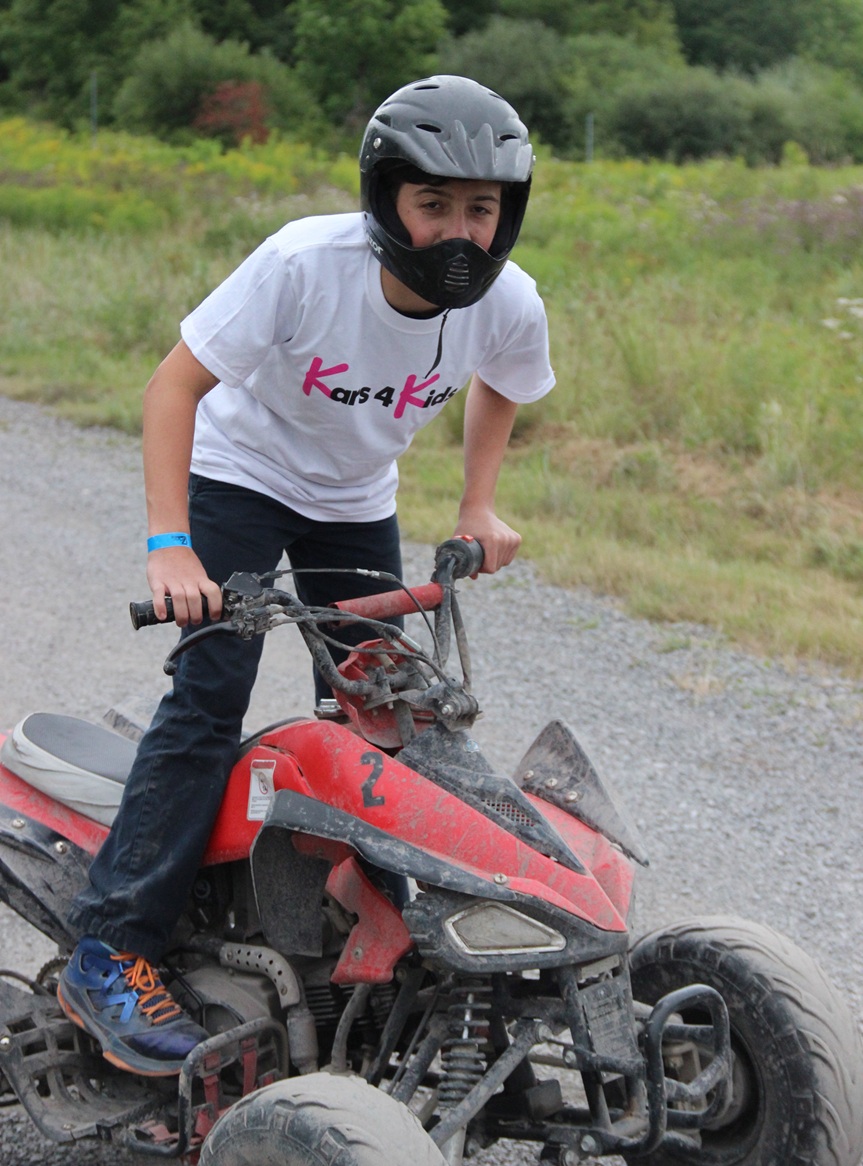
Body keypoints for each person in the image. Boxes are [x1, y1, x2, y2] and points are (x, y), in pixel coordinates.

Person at [57, 75, 555, 1077]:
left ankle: (364, 947)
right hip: (240, 475)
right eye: (433, 205)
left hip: (352, 494)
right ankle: (112, 948)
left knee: (386, 710)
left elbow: (506, 378)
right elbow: (174, 385)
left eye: (480, 207)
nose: (459, 231)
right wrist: (170, 547)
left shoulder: (505, 298)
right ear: (385, 202)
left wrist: (475, 503)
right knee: (211, 691)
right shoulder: (301, 264)